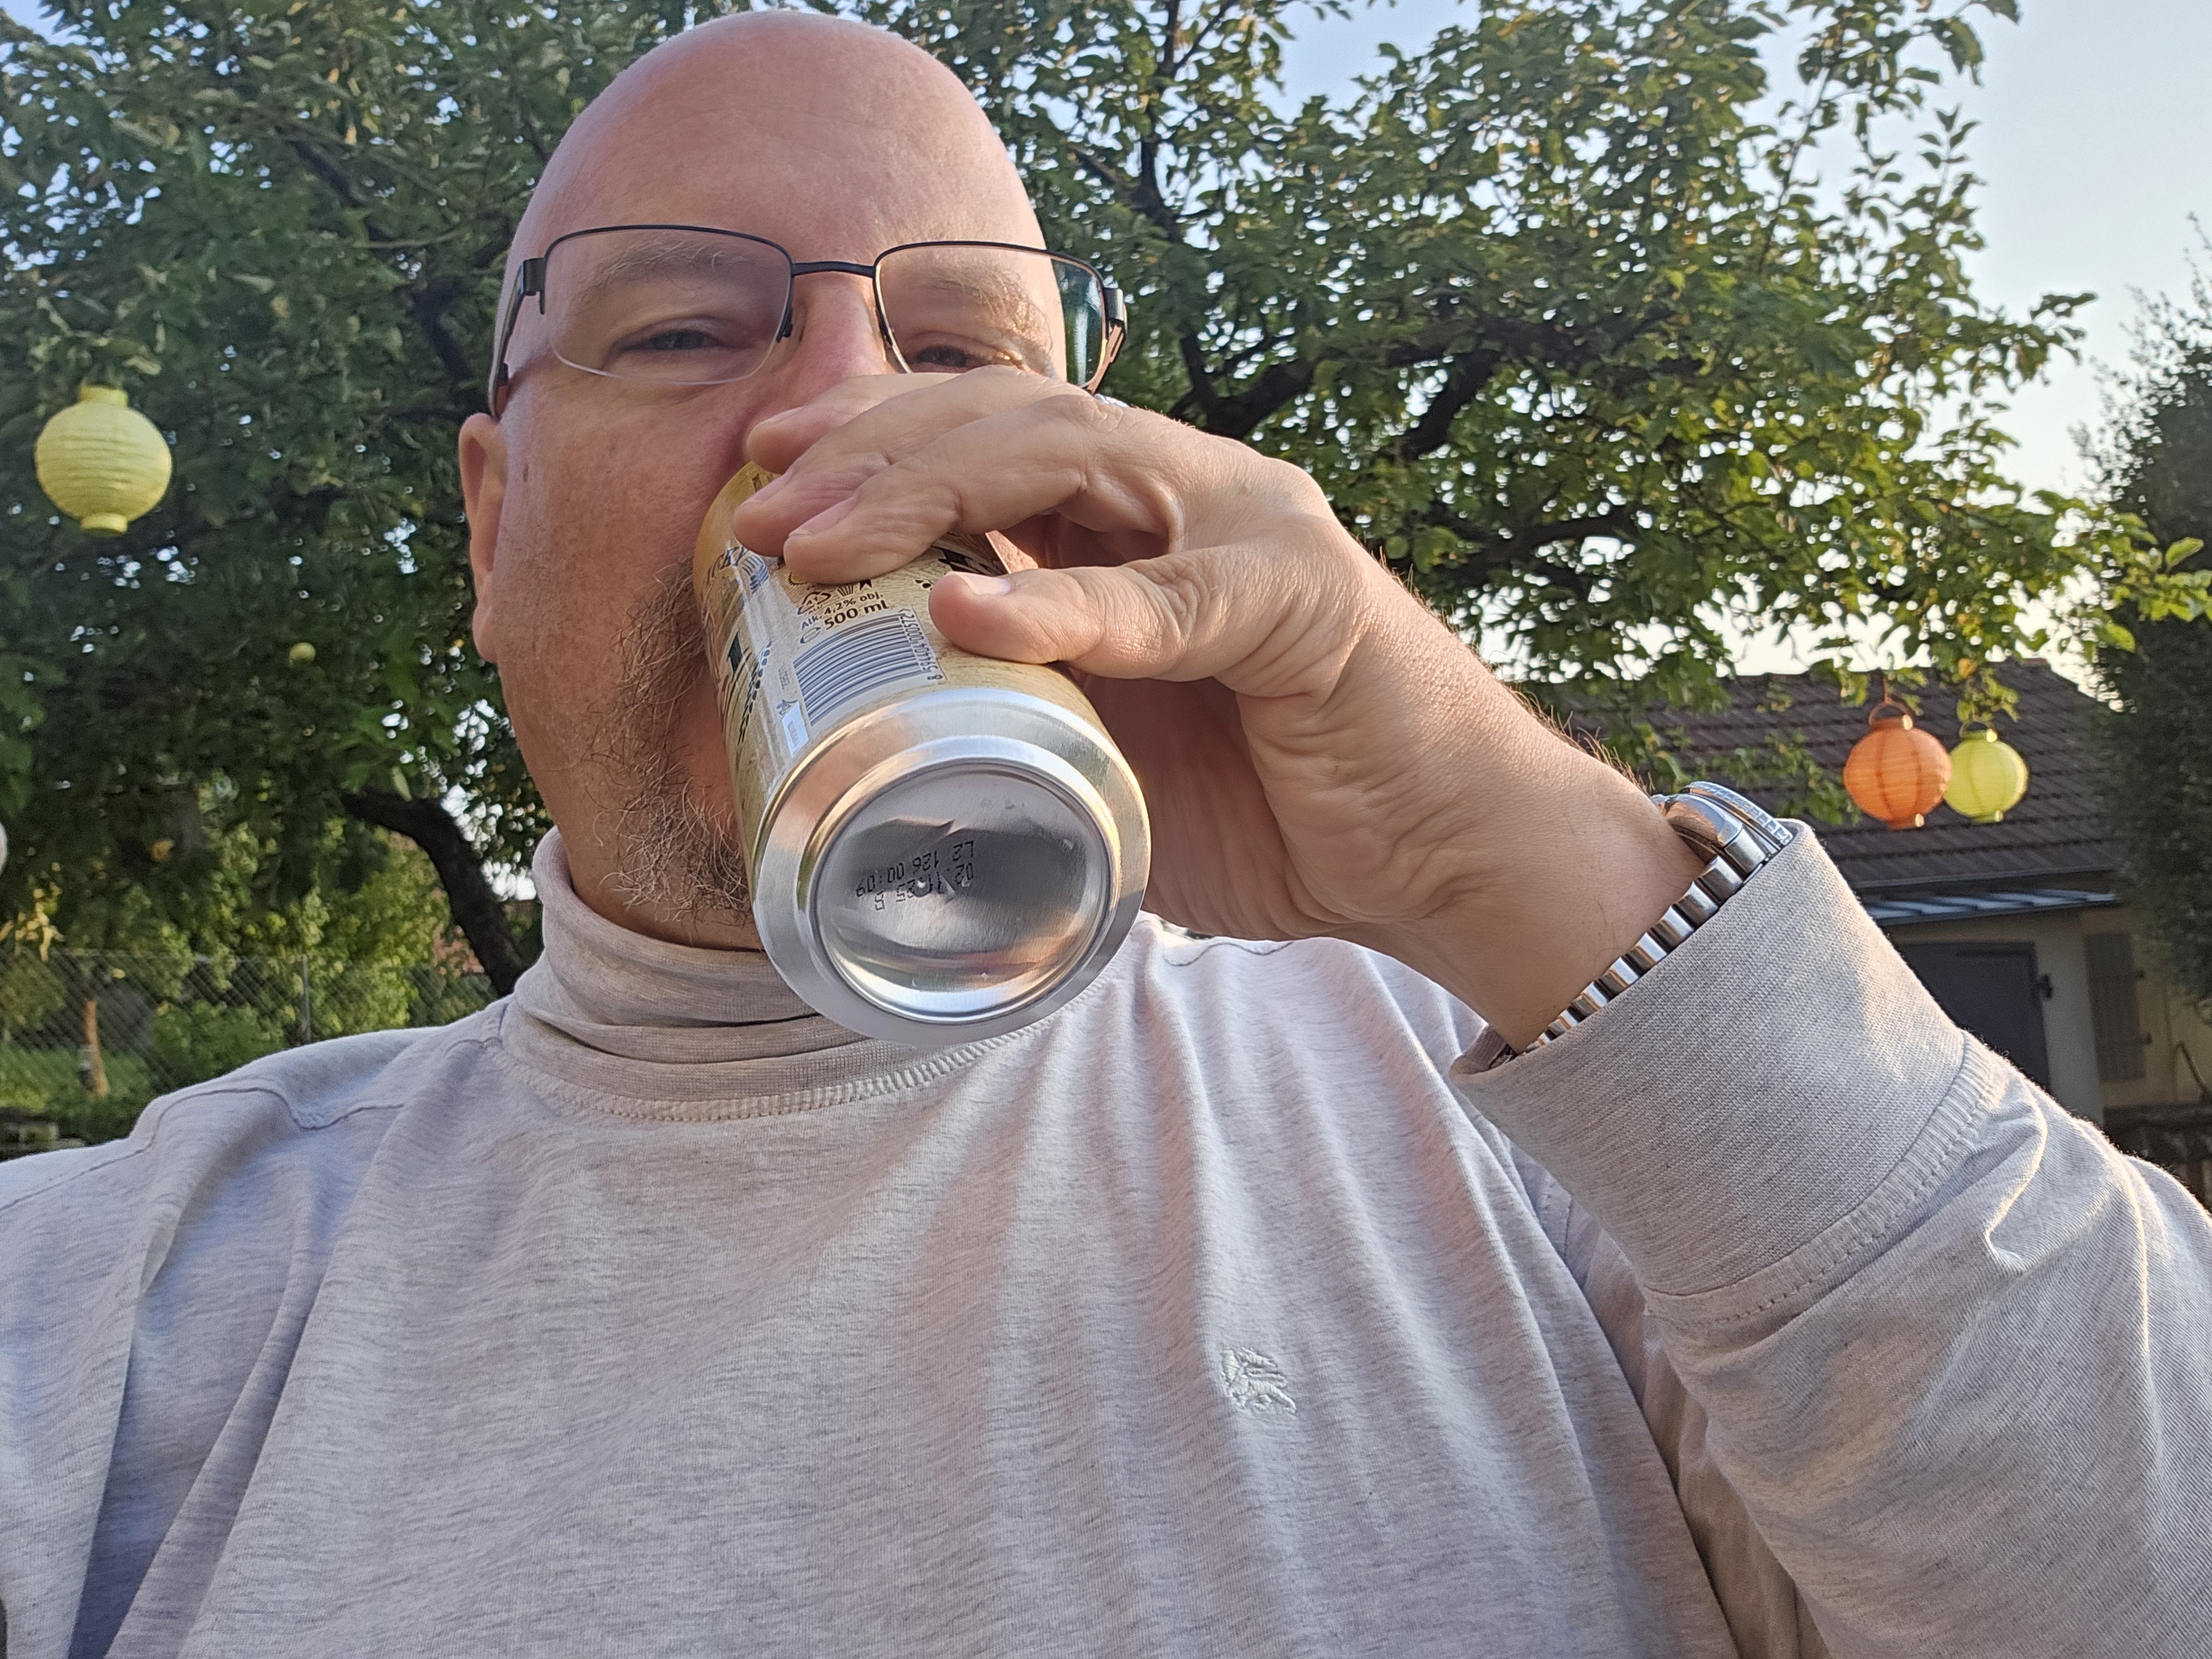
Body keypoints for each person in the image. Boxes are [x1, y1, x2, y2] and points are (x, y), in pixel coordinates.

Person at [3, 14, 2207, 1658]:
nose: (839, 406)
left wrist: (1514, 859)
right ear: (494, 528)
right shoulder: (123, 1304)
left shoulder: (1549, 1137)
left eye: (962, 347)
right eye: (679, 328)